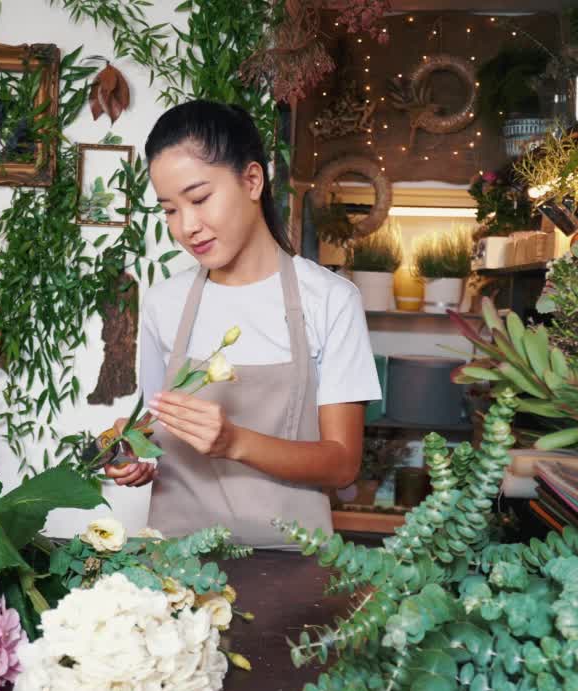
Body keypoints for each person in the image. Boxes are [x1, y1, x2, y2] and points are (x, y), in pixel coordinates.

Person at [103, 100, 382, 548]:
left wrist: (233, 441)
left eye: (199, 199)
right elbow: (153, 430)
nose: (187, 226)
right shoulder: (163, 303)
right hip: (174, 566)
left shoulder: (330, 301)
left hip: (292, 561)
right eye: (170, 210)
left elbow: (342, 463)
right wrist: (130, 453)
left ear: (252, 180)